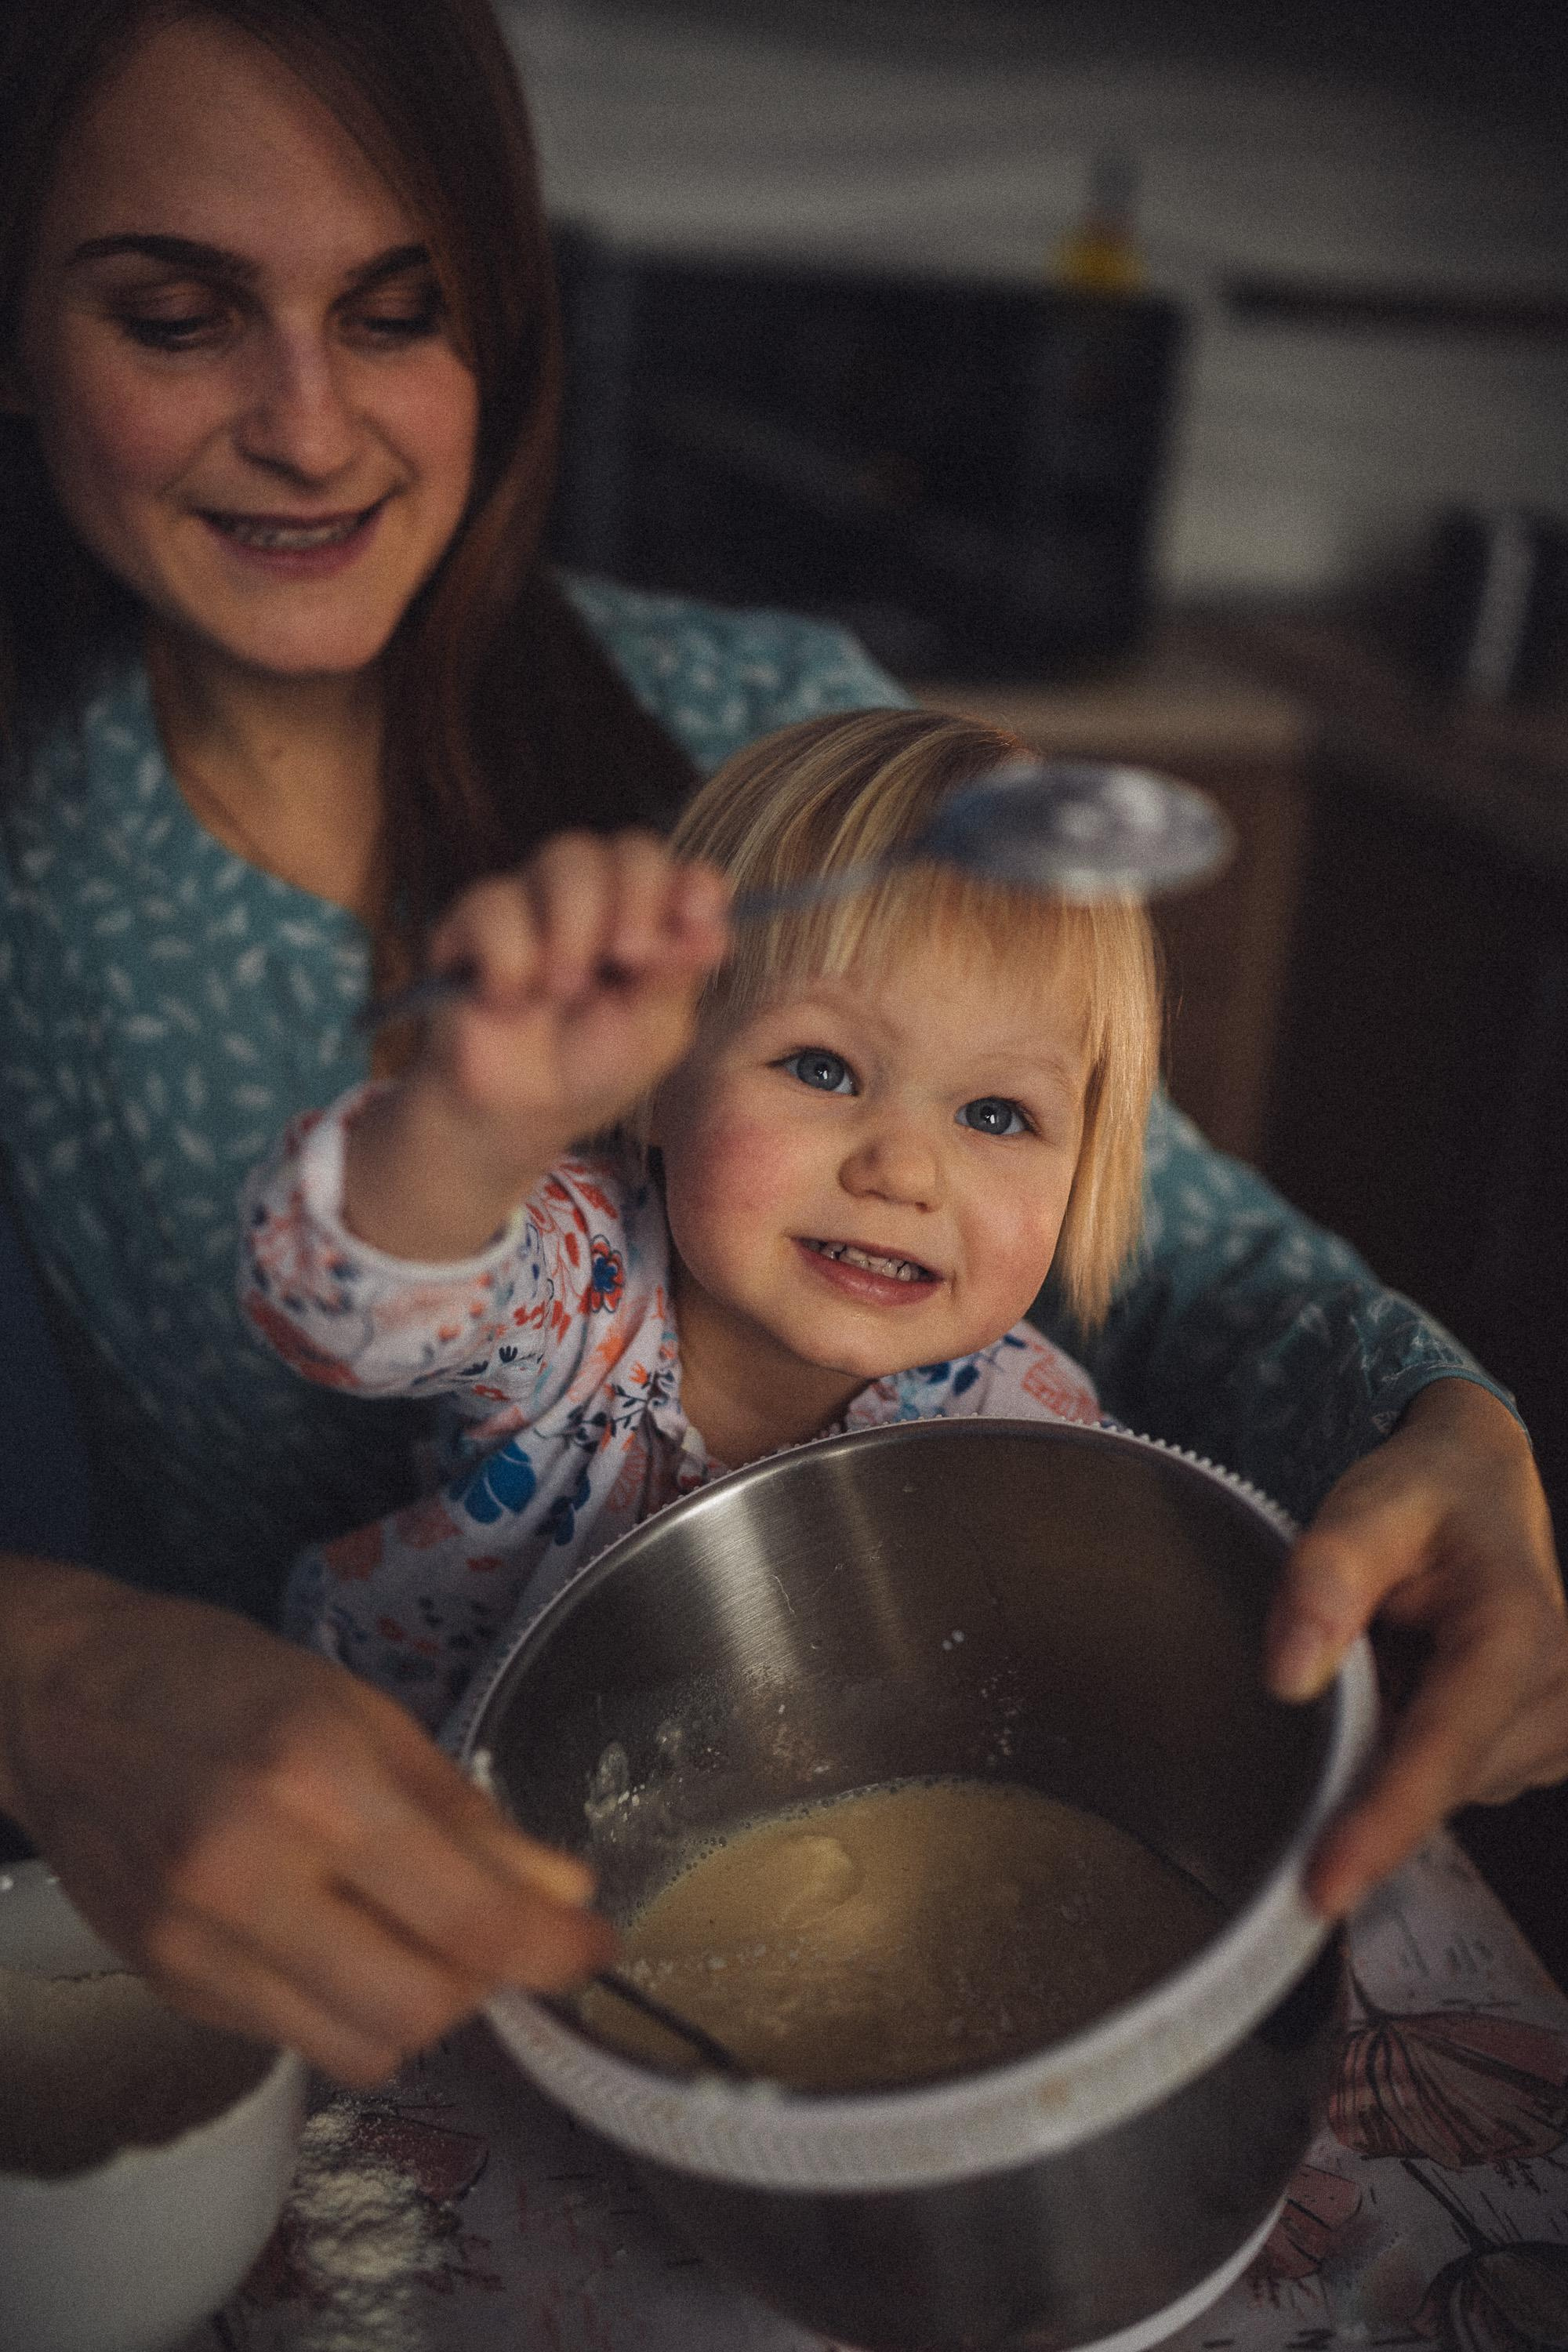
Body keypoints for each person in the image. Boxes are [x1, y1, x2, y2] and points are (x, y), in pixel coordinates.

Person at [0, 0, 1562, 2092]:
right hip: (325, 1985)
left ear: (515, 337)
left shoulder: (783, 738)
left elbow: (1180, 1256)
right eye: (181, 317)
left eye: (401, 312)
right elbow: (379, 1284)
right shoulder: (512, 1237)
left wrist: (1450, 1422)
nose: (308, 424)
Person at [239, 707, 1159, 1722]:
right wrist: (474, 1128)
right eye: (823, 1067)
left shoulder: (1032, 1436)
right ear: (656, 1079)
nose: (903, 1170)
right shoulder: (579, 1279)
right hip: (410, 1798)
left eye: (997, 1113)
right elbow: (339, 1305)